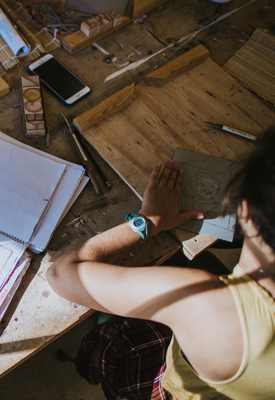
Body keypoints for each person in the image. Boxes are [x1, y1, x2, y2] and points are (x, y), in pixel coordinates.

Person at [47, 130, 275, 399]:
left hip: (167, 390)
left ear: (244, 211)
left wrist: (147, 221)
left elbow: (61, 274)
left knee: (116, 339)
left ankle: (92, 368)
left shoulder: (207, 303)